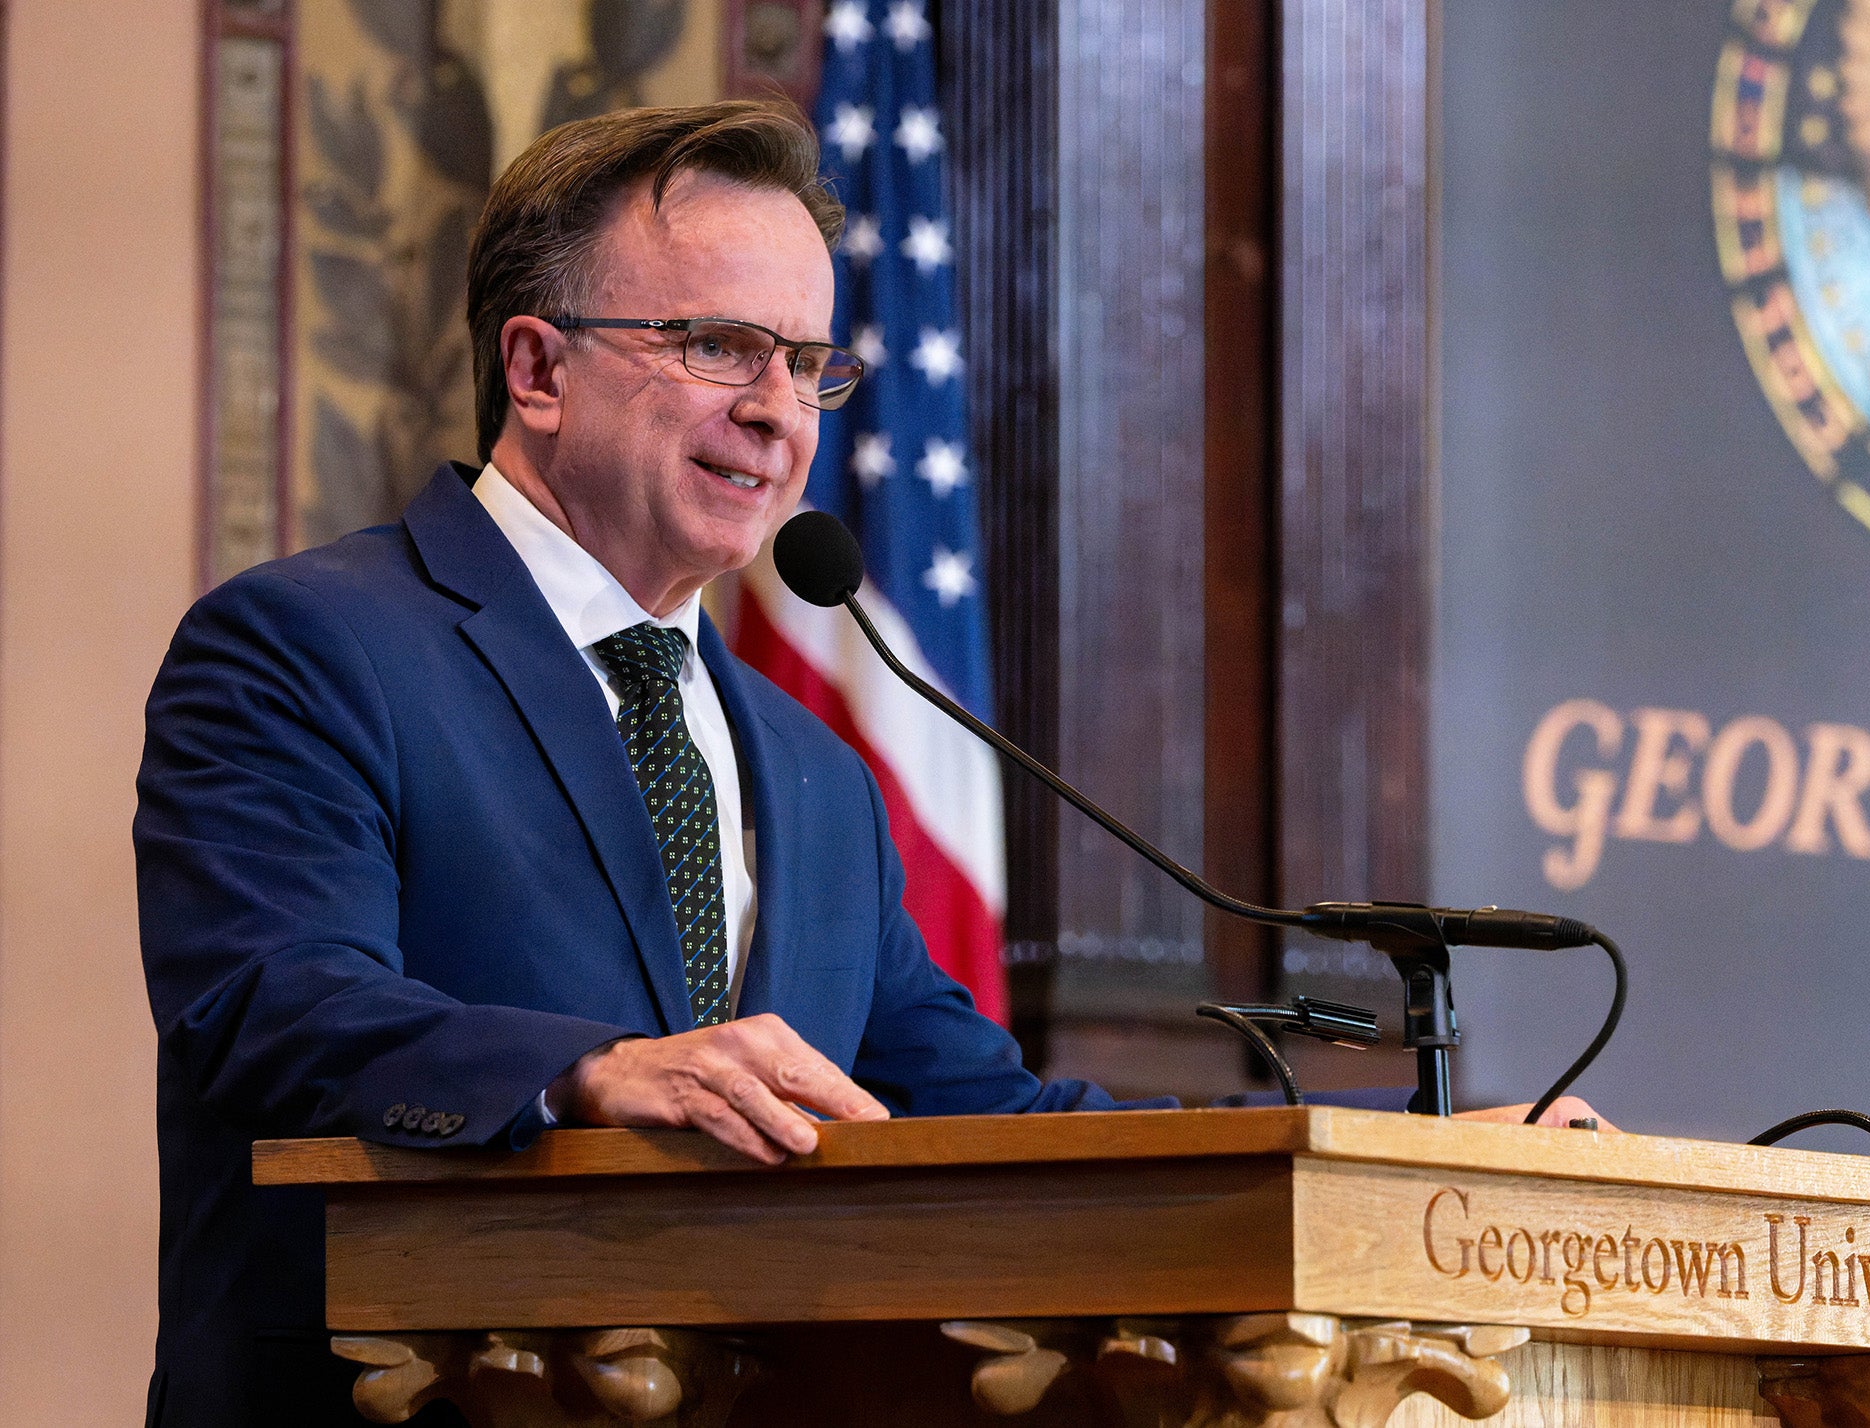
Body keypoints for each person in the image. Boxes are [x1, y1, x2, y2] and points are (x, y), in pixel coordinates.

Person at [135, 100, 1598, 1428]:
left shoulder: (812, 771)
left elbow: (985, 1118)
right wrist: (588, 1070)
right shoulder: (307, 646)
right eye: (719, 347)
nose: (778, 411)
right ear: (536, 366)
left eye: (808, 364)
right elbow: (268, 1006)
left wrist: (1380, 1155)